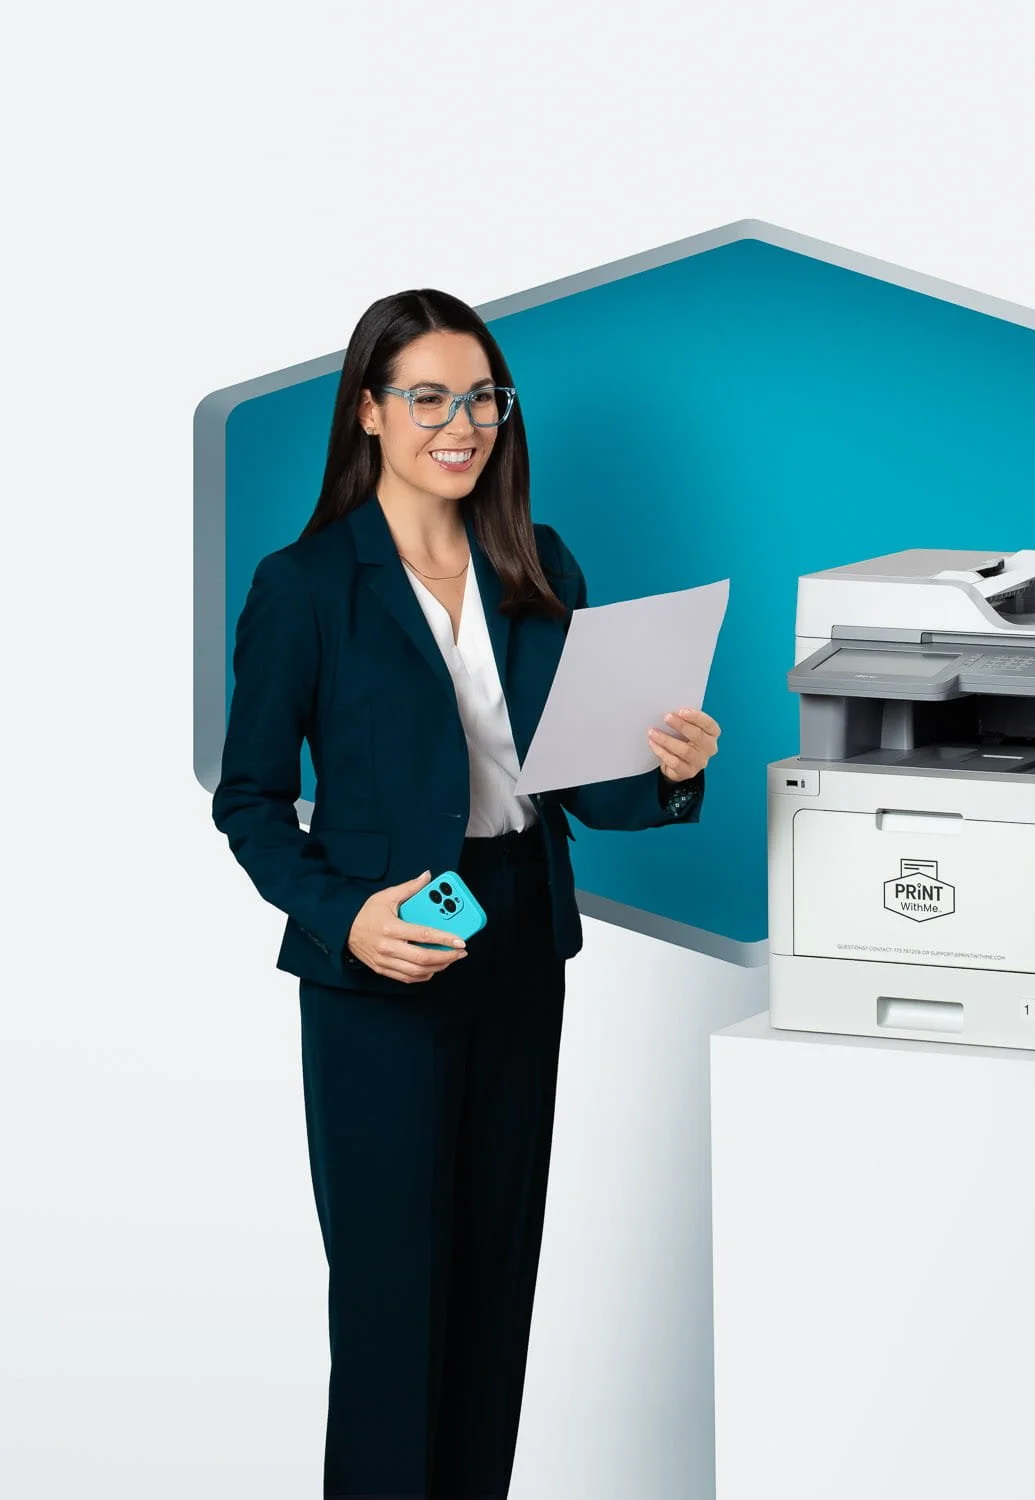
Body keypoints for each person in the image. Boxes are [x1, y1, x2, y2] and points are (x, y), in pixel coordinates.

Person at [211, 287, 720, 1499]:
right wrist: (344, 916)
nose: (461, 422)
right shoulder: (308, 585)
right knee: (393, 1309)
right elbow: (247, 801)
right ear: (370, 415)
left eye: (480, 397)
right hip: (380, 963)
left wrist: (671, 774)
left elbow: (582, 784)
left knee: (494, 1294)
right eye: (428, 396)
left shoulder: (540, 565)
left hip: (516, 942)